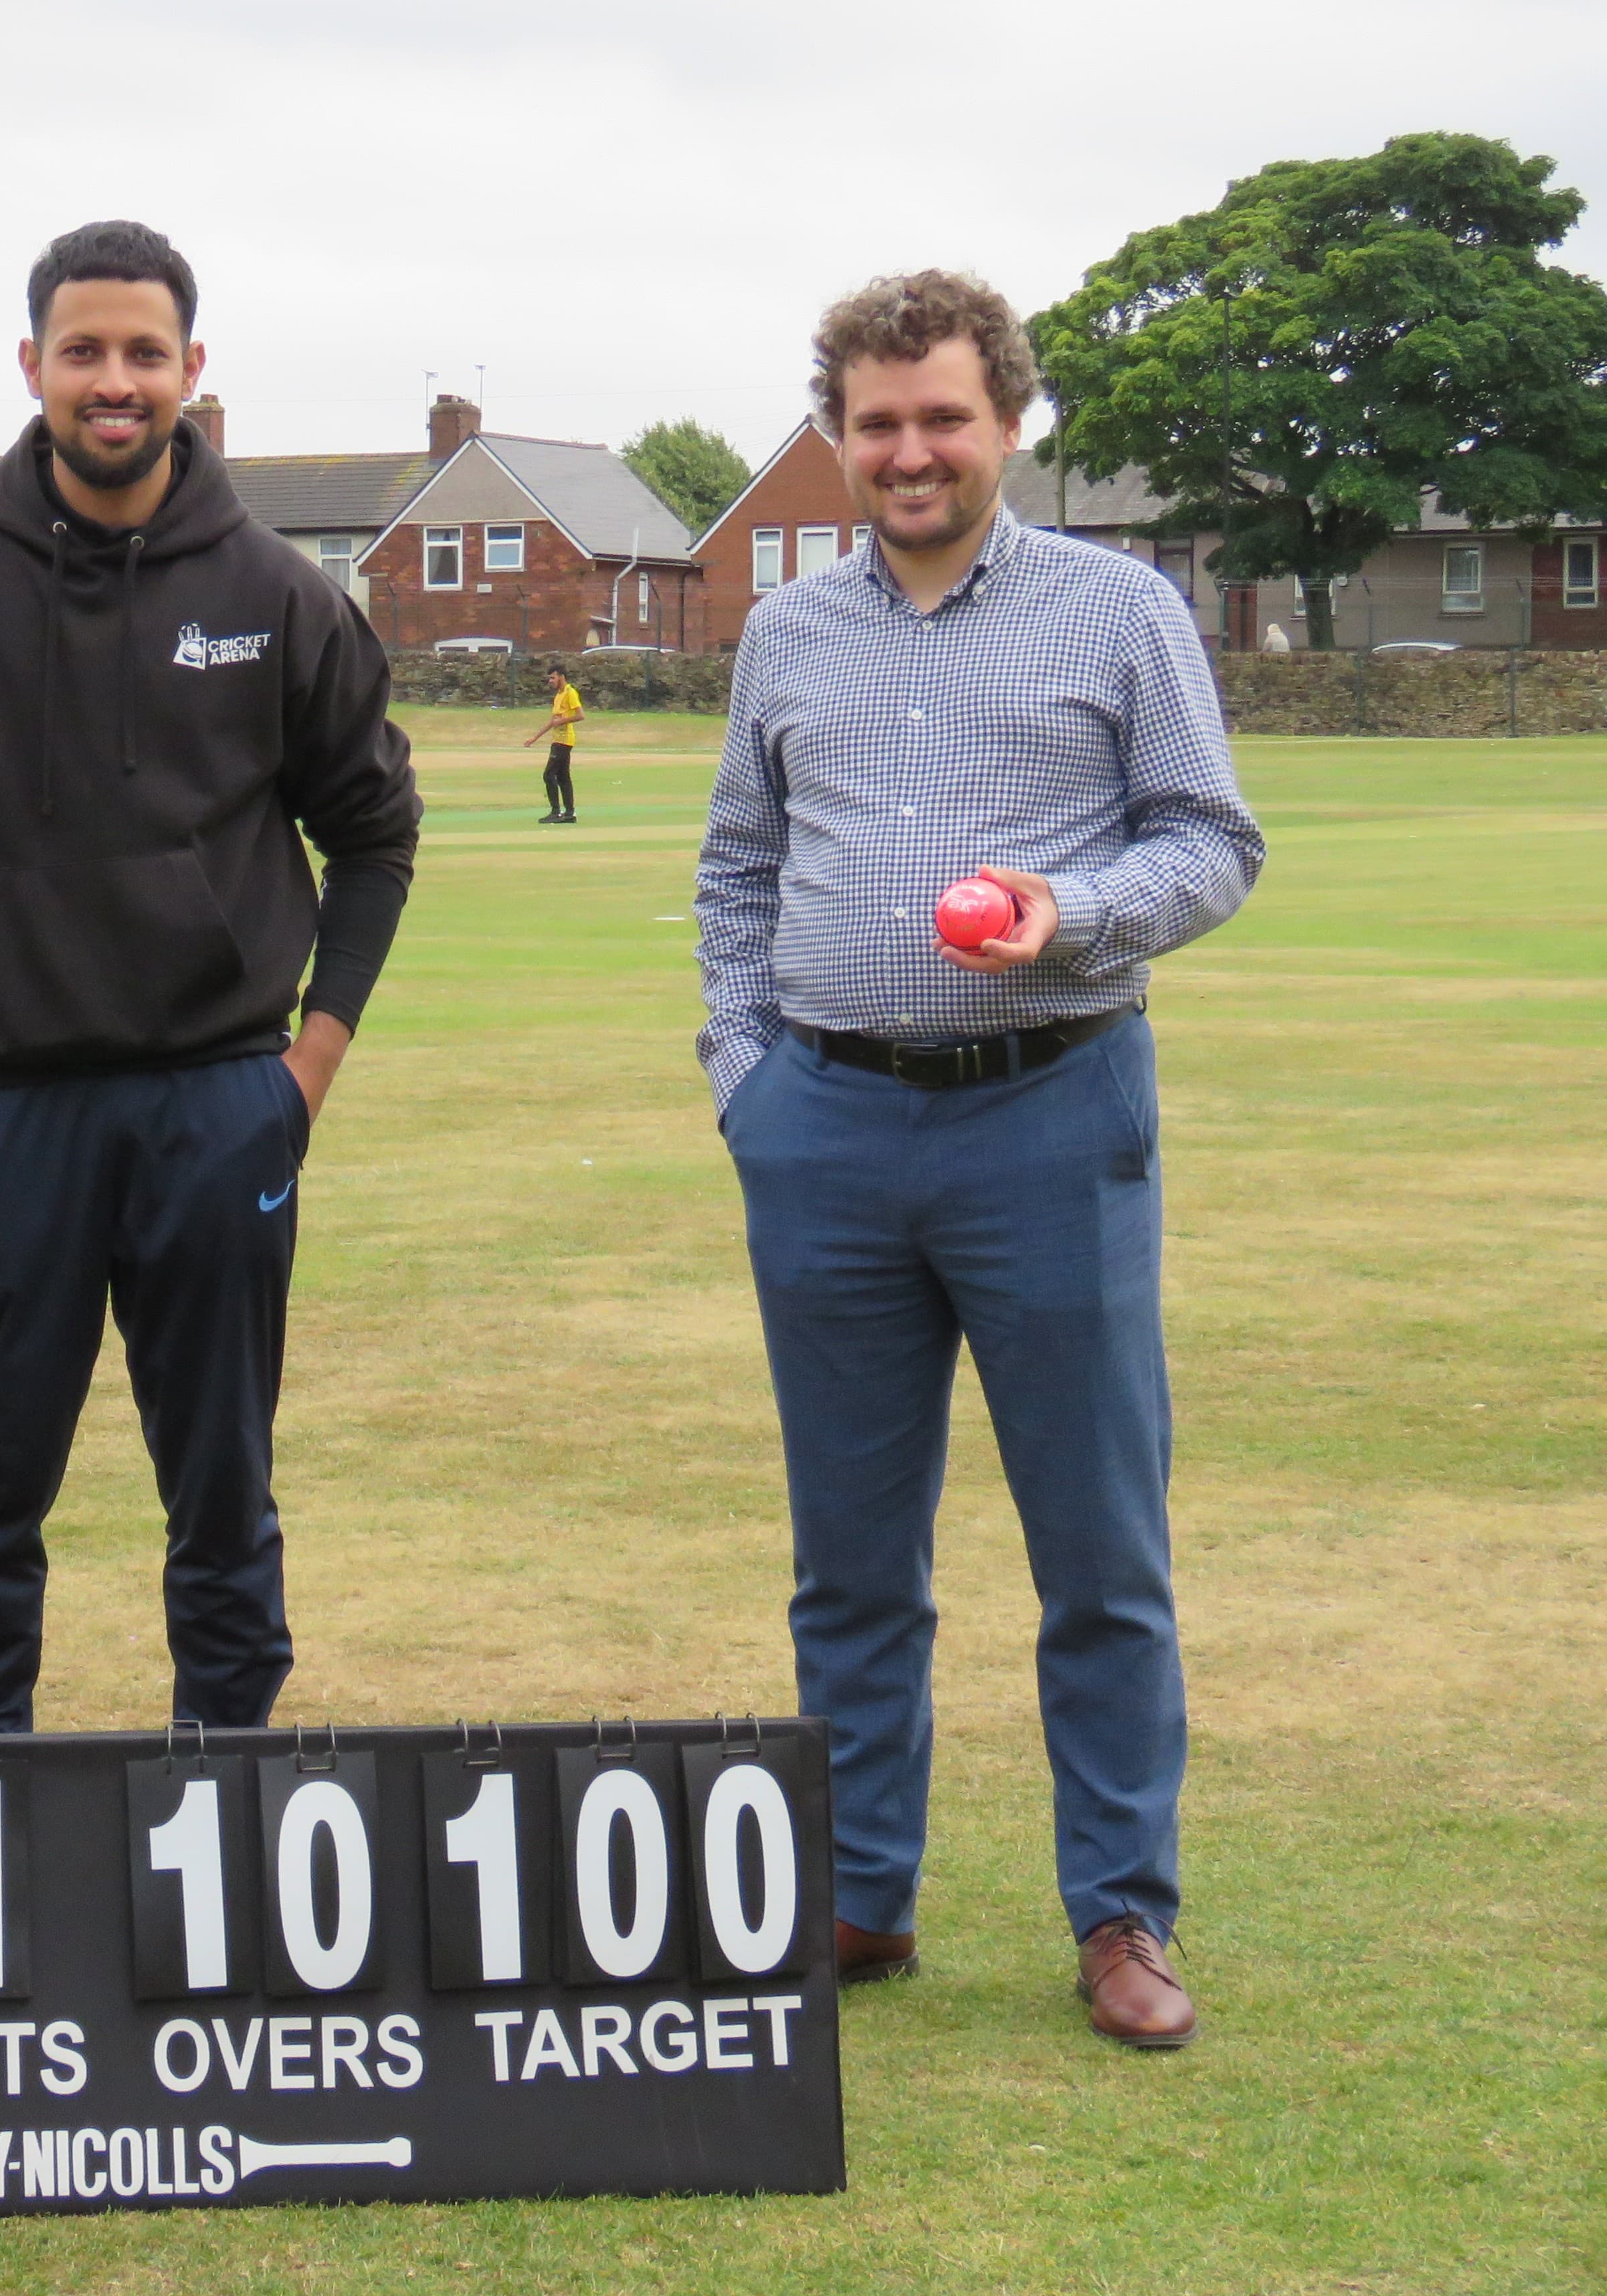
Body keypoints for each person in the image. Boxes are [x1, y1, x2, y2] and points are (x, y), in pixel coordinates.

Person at [692, 270, 1262, 2048]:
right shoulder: (788, 633)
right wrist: (747, 1077)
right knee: (850, 1556)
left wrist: (1070, 911)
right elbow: (736, 869)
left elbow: (1215, 840)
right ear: (840, 436)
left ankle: (1121, 1917)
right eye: (876, 423)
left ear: (1009, 419)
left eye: (943, 417)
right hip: (828, 1130)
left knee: (1099, 1548)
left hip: (1054, 1110)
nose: (911, 451)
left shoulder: (1118, 610)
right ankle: (860, 1893)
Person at [0, 219, 421, 1734]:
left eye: (146, 352)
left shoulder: (277, 592)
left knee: (222, 1493)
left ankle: (229, 1813)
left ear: (192, 372)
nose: (115, 380)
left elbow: (377, 836)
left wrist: (302, 1074)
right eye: (84, 350)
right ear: (33, 368)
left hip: (219, 1104)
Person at [522, 662, 584, 821]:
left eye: (552, 678)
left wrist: (563, 721)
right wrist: (535, 738)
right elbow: (552, 721)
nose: (550, 681)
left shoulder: (570, 693)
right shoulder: (558, 696)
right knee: (563, 776)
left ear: (561, 677)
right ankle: (570, 813)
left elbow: (580, 715)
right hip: (557, 740)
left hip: (565, 740)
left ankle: (556, 811)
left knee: (549, 774)